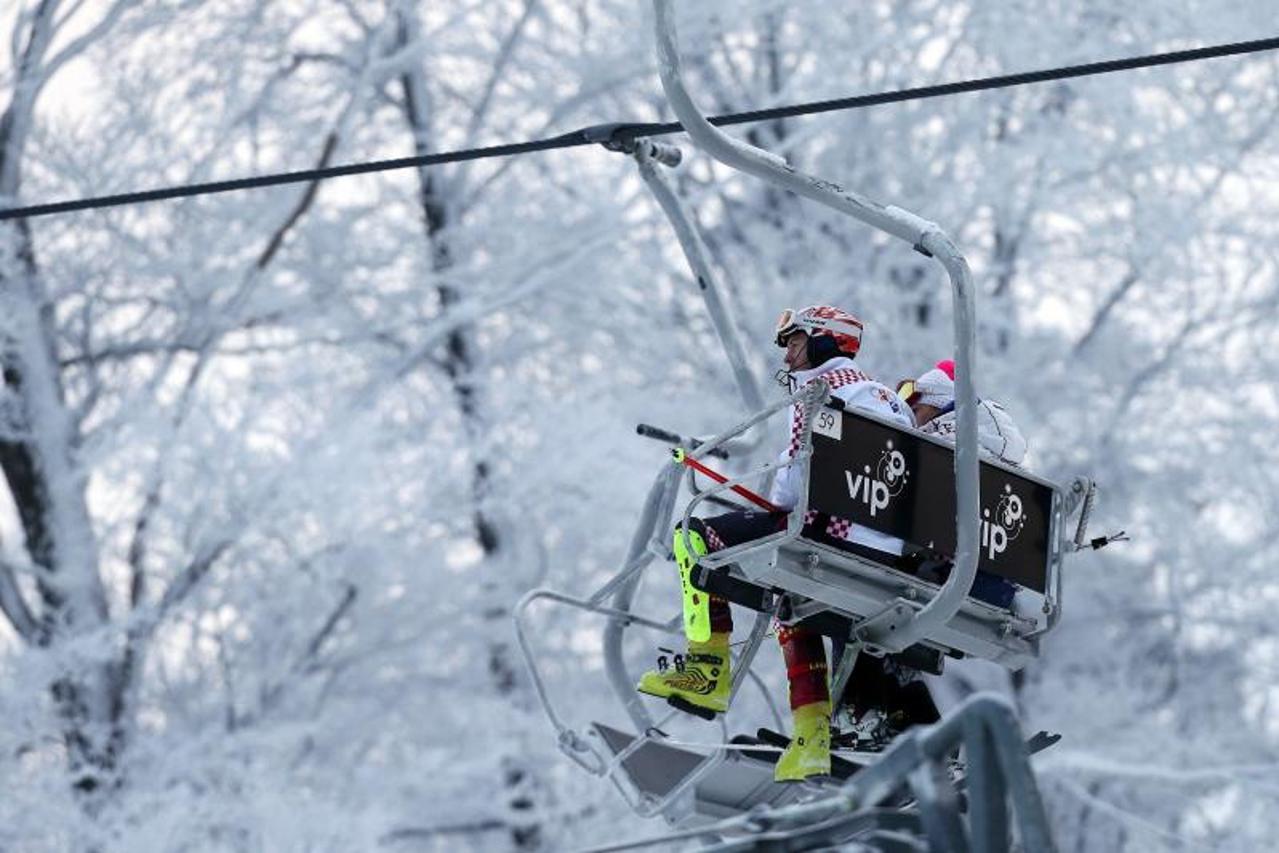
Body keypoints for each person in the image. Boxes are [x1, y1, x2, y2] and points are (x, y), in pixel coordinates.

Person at [636, 305, 913, 782]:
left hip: (829, 535)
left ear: (825, 340)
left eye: (794, 340)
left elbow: (791, 491)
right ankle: (811, 739)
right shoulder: (890, 401)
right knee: (790, 597)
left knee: (693, 536)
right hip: (886, 550)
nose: (786, 352)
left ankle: (706, 666)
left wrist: (767, 493)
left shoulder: (821, 392)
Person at [834, 358, 1029, 743]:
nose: (910, 414)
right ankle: (914, 720)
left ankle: (862, 706)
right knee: (896, 622)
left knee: (850, 600)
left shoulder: (941, 444)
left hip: (944, 576)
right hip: (992, 586)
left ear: (940, 402)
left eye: (915, 402)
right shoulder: (1001, 457)